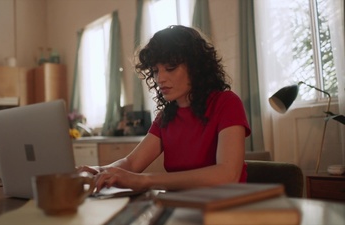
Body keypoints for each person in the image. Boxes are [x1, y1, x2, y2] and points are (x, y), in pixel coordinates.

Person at [78, 25, 251, 193]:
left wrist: (145, 180)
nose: (160, 79)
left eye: (170, 68)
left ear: (196, 67)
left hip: (224, 209)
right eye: (155, 71)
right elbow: (131, 163)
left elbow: (227, 175)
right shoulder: (167, 116)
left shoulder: (227, 103)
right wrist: (99, 171)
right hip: (183, 206)